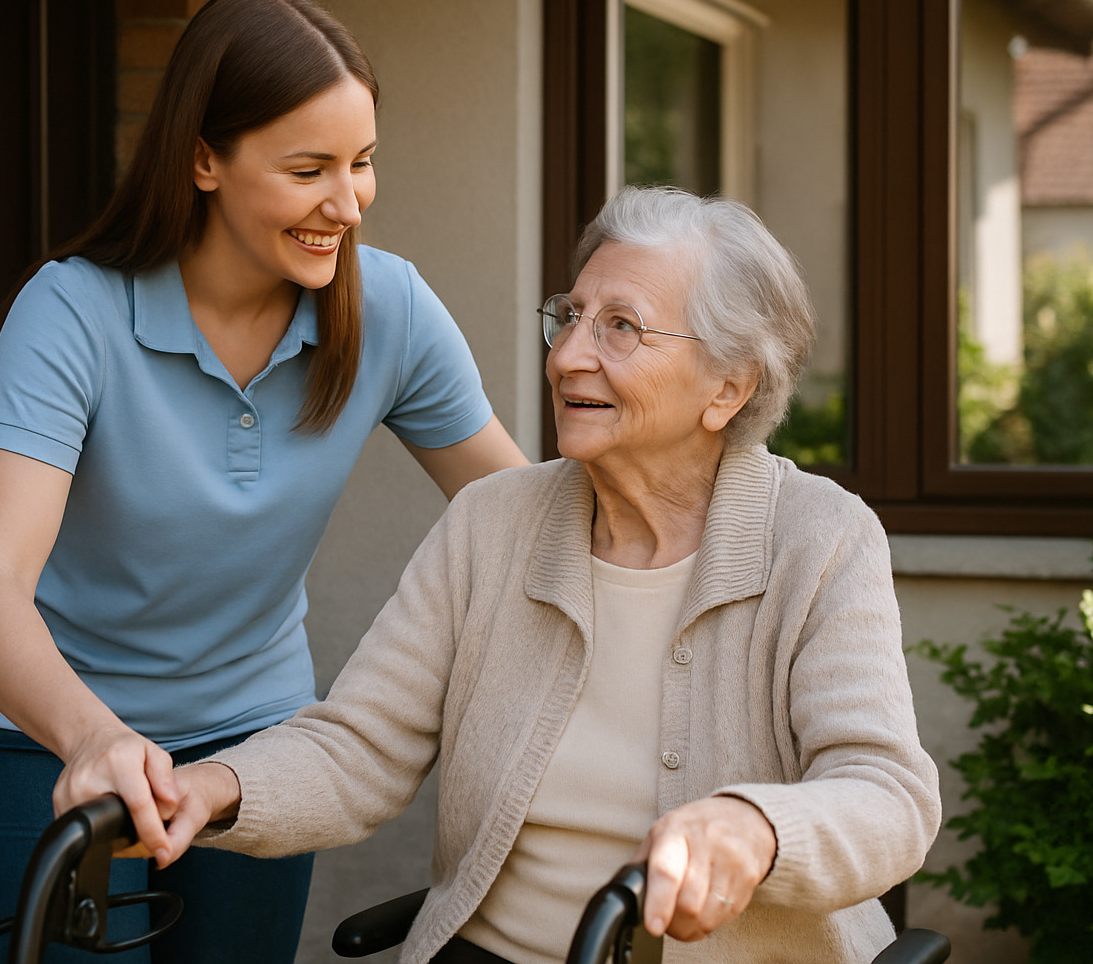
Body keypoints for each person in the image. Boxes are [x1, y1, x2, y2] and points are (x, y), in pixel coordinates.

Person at [155, 186, 942, 964]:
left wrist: (757, 828)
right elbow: (360, 748)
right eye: (568, 318)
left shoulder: (819, 538)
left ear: (727, 387)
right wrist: (209, 788)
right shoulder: (489, 523)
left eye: (621, 328)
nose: (568, 356)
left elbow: (887, 795)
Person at [0, 0, 528, 963]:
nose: (348, 204)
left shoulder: (391, 310)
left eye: (363, 162)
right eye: (309, 169)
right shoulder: (73, 313)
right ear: (203, 158)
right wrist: (93, 737)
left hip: (257, 742)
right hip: (41, 736)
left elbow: (520, 511)